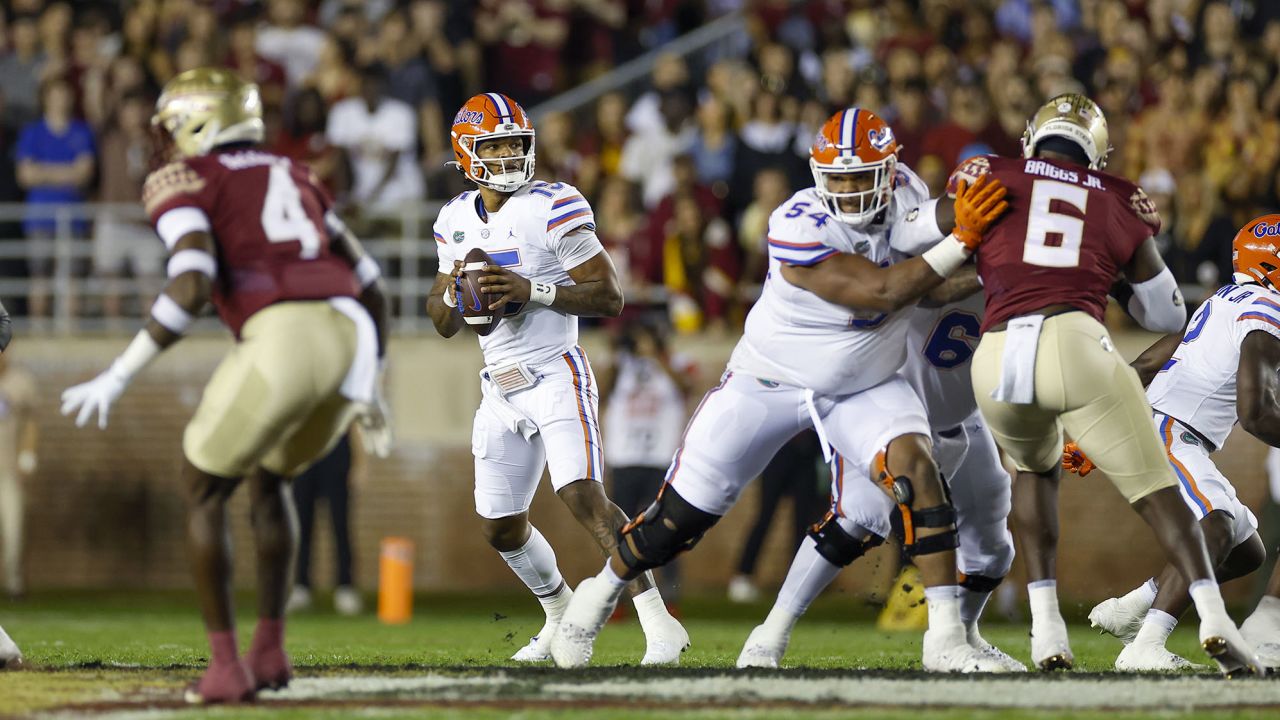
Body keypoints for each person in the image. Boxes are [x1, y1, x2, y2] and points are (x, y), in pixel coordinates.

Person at [549, 107, 1012, 672]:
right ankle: (594, 601)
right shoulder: (796, 224)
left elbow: (930, 246)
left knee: (917, 467)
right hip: (771, 378)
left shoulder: (905, 192)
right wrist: (965, 236)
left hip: (859, 384)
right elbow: (885, 291)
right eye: (834, 178)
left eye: (858, 177)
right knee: (677, 521)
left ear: (891, 172)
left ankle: (946, 641)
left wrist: (983, 214)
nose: (845, 191)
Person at [59, 68, 392, 704]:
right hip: (352, 334)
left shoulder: (187, 178)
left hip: (285, 332)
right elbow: (372, 285)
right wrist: (371, 381)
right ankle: (269, 651)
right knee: (270, 482)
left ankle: (224, 668)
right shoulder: (295, 172)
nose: (163, 142)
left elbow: (189, 284)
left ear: (196, 124)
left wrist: (119, 373)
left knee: (202, 485)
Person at [963, 93, 1260, 676]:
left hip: (994, 350)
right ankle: (1181, 632)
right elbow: (1168, 314)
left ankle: (1052, 622)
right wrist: (1118, 269)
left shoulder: (989, 173)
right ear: (1096, 150)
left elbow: (943, 248)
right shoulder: (1117, 196)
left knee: (1033, 471)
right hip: (1078, 344)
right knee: (1169, 500)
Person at [425, 92, 688, 665]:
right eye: (494, 145)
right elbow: (442, 320)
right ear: (466, 152)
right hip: (497, 384)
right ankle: (559, 612)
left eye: (515, 144)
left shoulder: (552, 203)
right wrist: (458, 292)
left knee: (583, 496)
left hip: (555, 371)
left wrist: (532, 290)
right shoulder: (453, 218)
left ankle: (659, 622)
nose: (508, 155)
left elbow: (611, 295)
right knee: (498, 526)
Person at [737, 285, 1023, 671]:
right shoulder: (930, 242)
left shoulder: (1010, 258)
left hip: (960, 416)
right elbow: (924, 286)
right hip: (886, 404)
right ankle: (769, 635)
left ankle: (961, 636)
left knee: (993, 545)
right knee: (856, 519)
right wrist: (988, 265)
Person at [1077, 214, 1280, 671]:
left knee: (1248, 551)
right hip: (1172, 430)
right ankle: (1146, 646)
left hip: (1166, 427)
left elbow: (1152, 358)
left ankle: (1140, 604)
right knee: (1217, 526)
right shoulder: (1266, 309)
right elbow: (1256, 413)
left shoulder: (1224, 300)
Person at [600, 317, 694, 608]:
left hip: (660, 459)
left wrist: (656, 356)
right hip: (625, 458)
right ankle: (619, 600)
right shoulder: (622, 365)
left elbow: (686, 386)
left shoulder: (675, 363)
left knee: (665, 530)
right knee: (619, 533)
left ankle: (670, 597)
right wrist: (618, 353)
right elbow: (603, 394)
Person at [16, 75, 95, 320]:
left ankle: (71, 334)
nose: (60, 100)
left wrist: (44, 171)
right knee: (40, 277)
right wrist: (67, 172)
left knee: (72, 278)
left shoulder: (82, 131)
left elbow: (85, 174)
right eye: (55, 95)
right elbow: (25, 175)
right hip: (40, 216)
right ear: (45, 99)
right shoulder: (33, 132)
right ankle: (39, 330)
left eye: (65, 94)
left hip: (74, 216)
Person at [286, 431, 363, 616]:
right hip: (304, 456)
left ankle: (345, 587)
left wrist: (361, 465)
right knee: (302, 526)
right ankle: (301, 587)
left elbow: (354, 423)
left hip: (337, 454)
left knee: (340, 525)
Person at [0, 350, 37, 600]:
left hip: (7, 469)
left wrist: (28, 457)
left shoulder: (19, 382)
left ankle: (13, 584)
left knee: (13, 531)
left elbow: (31, 423)